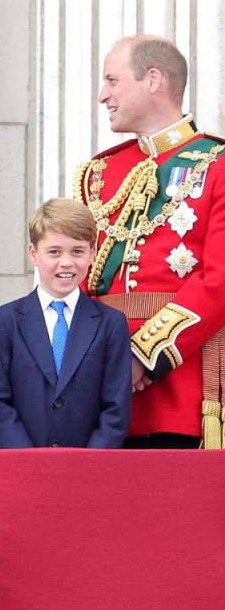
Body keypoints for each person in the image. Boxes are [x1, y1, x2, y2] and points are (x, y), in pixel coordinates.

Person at [74, 35, 225, 449]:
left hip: (178, 382)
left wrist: (145, 354)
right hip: (97, 379)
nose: (103, 95)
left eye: (112, 80)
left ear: (153, 79)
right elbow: (81, 279)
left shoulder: (218, 165)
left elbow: (219, 280)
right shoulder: (99, 173)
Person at [0, 199, 131, 448]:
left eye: (77, 251)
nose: (66, 262)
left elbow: (116, 407)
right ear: (34, 254)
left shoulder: (111, 324)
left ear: (92, 253)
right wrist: (28, 460)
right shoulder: (4, 321)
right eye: (54, 252)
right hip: (18, 466)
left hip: (87, 469)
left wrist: (88, 463)